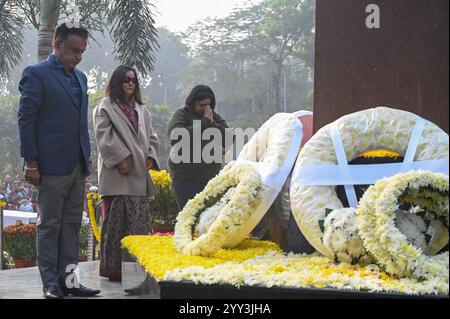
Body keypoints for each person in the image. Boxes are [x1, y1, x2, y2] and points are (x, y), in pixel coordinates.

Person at [18, 23, 100, 299]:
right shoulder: (36, 74)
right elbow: (26, 120)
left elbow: (79, 124)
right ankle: (51, 284)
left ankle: (70, 282)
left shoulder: (81, 78)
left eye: (82, 52)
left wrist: (85, 158)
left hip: (77, 166)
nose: (77, 56)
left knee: (72, 226)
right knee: (50, 224)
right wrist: (31, 162)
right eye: (73, 50)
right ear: (56, 43)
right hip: (49, 166)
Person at [93, 65, 160, 281]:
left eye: (133, 80)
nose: (131, 83)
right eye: (126, 79)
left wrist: (150, 155)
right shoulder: (104, 107)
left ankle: (137, 271)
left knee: (138, 224)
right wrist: (120, 159)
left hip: (139, 174)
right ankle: (114, 270)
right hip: (117, 176)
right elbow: (104, 137)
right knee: (115, 226)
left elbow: (152, 136)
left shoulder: (142, 109)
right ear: (116, 82)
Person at [167, 85, 231, 210]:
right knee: (189, 217)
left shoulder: (214, 117)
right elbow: (176, 135)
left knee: (210, 219)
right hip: (186, 179)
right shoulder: (182, 114)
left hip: (211, 180)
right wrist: (204, 123)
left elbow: (229, 139)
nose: (205, 109)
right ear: (192, 102)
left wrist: (212, 123)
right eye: (201, 105)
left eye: (209, 105)